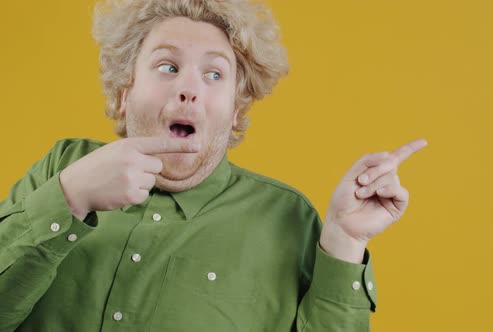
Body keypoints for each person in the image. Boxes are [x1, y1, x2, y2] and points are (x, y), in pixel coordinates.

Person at [0, 0, 427, 331]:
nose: (188, 88)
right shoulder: (63, 168)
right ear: (126, 92)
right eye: (167, 66)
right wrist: (68, 198)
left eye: (214, 75)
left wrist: (346, 240)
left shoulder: (288, 220)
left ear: (236, 111)